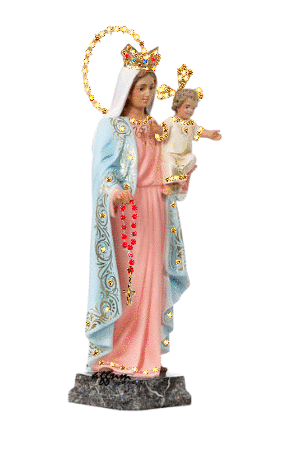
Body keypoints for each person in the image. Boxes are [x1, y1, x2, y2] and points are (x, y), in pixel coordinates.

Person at [84, 47, 192, 379]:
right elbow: (103, 170)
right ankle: (118, 354)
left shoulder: (158, 126)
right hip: (129, 211)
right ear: (127, 89)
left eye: (151, 88)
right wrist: (113, 189)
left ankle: (146, 356)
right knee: (130, 279)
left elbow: (168, 163)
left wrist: (179, 177)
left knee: (153, 279)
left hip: (156, 208)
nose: (147, 94)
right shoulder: (112, 126)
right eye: (140, 87)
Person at [161, 88, 222, 193]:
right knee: (168, 164)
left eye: (193, 108)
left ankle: (179, 179)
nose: (190, 111)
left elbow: (200, 131)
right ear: (177, 105)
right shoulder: (169, 121)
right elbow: (162, 133)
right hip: (170, 154)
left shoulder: (192, 124)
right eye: (187, 107)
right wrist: (157, 131)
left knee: (192, 158)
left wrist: (210, 134)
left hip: (185, 155)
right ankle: (168, 185)